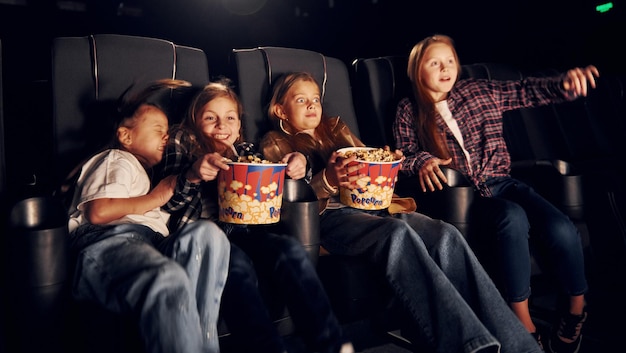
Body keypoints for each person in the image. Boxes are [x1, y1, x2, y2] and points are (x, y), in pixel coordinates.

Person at [259, 71, 542, 353]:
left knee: (445, 233)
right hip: (329, 220)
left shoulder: (334, 128)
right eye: (301, 100)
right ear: (280, 110)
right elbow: (284, 197)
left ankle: (520, 346)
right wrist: (327, 179)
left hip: (375, 207)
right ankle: (469, 345)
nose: (312, 105)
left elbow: (367, 159)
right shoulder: (275, 143)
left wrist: (387, 162)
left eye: (316, 99)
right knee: (396, 233)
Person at [393, 34, 598, 353]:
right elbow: (402, 153)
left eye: (449, 61)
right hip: (464, 197)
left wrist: (564, 85)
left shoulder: (478, 91)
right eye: (434, 63)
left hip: (502, 181)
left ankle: (575, 311)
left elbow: (525, 90)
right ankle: (522, 325)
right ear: (417, 71)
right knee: (511, 217)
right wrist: (423, 160)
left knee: (559, 226)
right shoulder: (409, 109)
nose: (444, 68)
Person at [154, 79, 353, 353]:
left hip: (248, 230)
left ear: (238, 128)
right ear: (194, 121)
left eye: (229, 118)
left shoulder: (246, 151)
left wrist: (299, 165)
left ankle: (332, 345)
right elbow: (169, 203)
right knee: (237, 268)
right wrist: (193, 174)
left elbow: (276, 182)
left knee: (289, 250)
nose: (221, 125)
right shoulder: (183, 141)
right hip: (207, 235)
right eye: (210, 118)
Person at [66, 80, 230, 353]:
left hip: (149, 244)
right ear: (125, 136)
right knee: (167, 277)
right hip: (106, 243)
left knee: (209, 235)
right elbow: (99, 211)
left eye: (167, 133)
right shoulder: (116, 159)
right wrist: (157, 195)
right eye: (158, 131)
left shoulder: (145, 175)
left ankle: (202, 343)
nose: (166, 138)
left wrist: (185, 177)